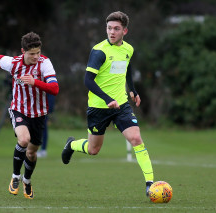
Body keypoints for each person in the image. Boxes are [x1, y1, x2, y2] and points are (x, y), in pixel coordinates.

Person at [61, 11, 154, 196]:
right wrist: (106, 99)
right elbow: (88, 80)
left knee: (136, 138)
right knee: (93, 149)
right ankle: (71, 144)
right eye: (109, 28)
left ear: (124, 31)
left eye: (116, 29)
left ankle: (150, 184)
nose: (112, 32)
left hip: (121, 105)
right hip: (98, 107)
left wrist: (133, 90)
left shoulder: (128, 49)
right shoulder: (99, 51)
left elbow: (127, 67)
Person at [0, 32, 59, 199]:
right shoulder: (13, 63)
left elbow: (55, 89)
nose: (36, 56)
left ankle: (27, 180)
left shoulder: (45, 63)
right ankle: (15, 177)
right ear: (22, 51)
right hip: (19, 109)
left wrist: (35, 82)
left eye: (38, 52)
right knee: (23, 139)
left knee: (31, 153)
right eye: (32, 53)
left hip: (38, 114)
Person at [37, 93, 55, 158]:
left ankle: (43, 150)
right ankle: (37, 149)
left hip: (43, 108)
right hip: (37, 107)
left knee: (43, 128)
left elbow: (51, 94)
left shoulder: (48, 83)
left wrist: (49, 109)